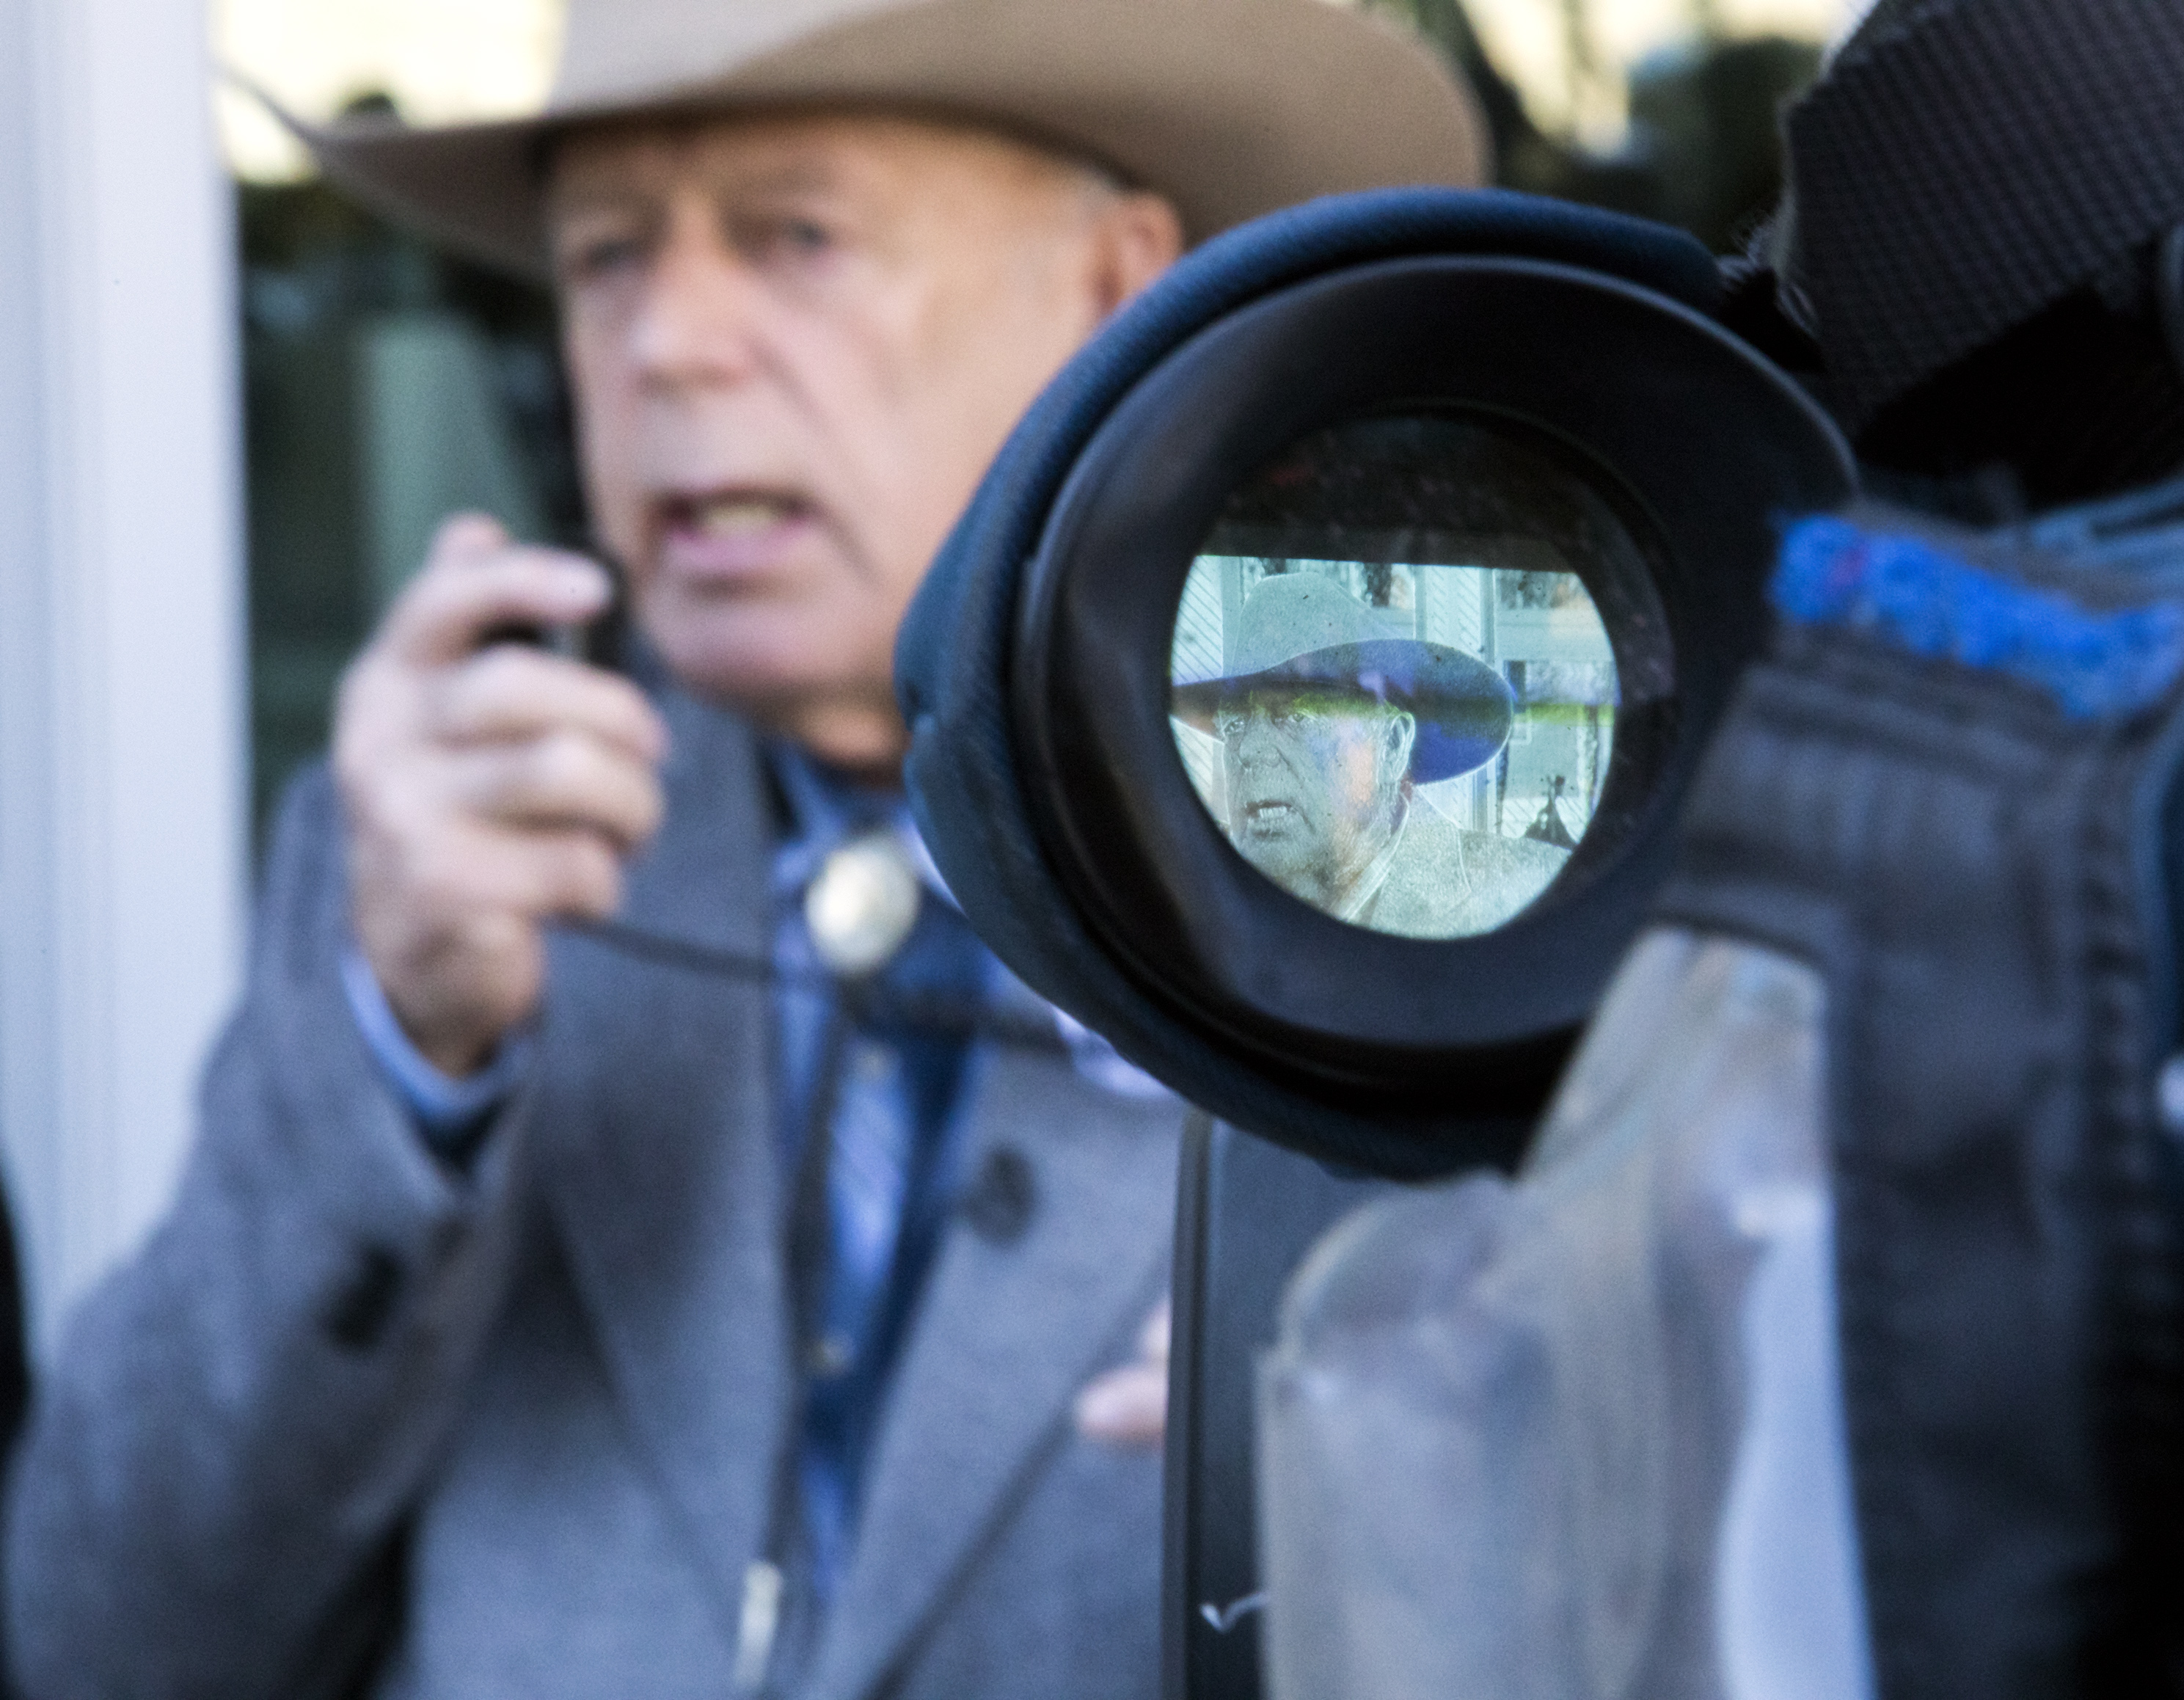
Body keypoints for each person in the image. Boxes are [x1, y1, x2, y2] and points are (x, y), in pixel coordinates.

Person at [1, 0, 1484, 1693]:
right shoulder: (420, 858)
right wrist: (393, 1051)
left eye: (797, 235)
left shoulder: (1408, 861)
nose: (668, 346)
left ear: (1115, 290)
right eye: (607, 257)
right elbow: (100, 1643)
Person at [1174, 572, 1564, 938]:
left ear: (1392, 747)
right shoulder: (1194, 915)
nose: (1247, 749)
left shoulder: (1535, 897)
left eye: (1295, 715)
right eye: (1234, 725)